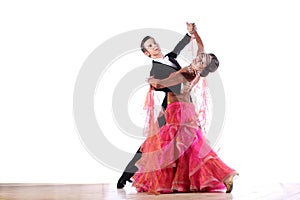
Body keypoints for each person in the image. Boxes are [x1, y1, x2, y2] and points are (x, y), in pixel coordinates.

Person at [131, 28, 238, 194]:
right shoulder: (195, 70)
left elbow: (166, 82)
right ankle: (188, 181)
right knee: (187, 146)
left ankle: (223, 174)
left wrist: (154, 82)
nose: (199, 57)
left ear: (202, 67)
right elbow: (201, 47)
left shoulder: (188, 72)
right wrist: (195, 33)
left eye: (202, 60)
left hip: (178, 110)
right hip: (185, 109)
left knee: (178, 146)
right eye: (201, 56)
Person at [117, 23, 196, 189]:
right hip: (170, 106)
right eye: (150, 46)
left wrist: (189, 34)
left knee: (186, 139)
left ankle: (183, 179)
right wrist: (179, 86)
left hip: (183, 103)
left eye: (155, 42)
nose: (155, 46)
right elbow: (159, 86)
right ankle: (127, 174)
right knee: (152, 141)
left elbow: (179, 47)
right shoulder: (155, 68)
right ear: (147, 53)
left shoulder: (170, 58)